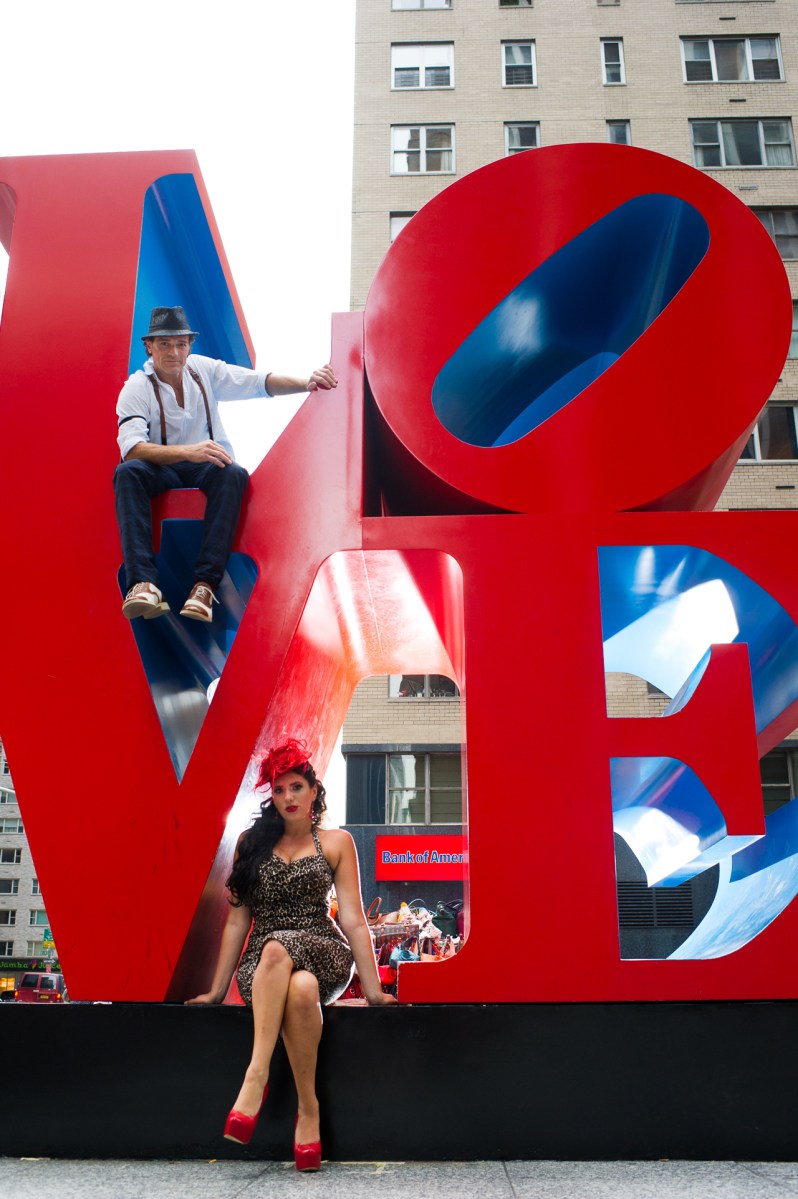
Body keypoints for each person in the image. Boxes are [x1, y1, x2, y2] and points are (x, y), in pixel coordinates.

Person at [186, 738, 395, 1171]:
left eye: (296, 787)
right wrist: (215, 991)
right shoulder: (251, 843)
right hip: (265, 965)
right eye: (279, 790)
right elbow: (238, 923)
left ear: (314, 790)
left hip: (325, 947)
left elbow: (355, 919)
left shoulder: (336, 842)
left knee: (282, 948)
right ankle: (308, 1110)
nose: (287, 798)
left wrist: (374, 992)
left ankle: (255, 1075)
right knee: (299, 988)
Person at [114, 306, 337, 622]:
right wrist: (190, 451)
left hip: (205, 465)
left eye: (180, 344)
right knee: (127, 473)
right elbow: (133, 449)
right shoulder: (136, 388)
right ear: (149, 347)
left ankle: (204, 587)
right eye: (164, 344)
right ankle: (143, 584)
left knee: (233, 474)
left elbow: (258, 383)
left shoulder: (202, 370)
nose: (174, 352)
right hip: (160, 465)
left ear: (190, 345)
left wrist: (307, 382)